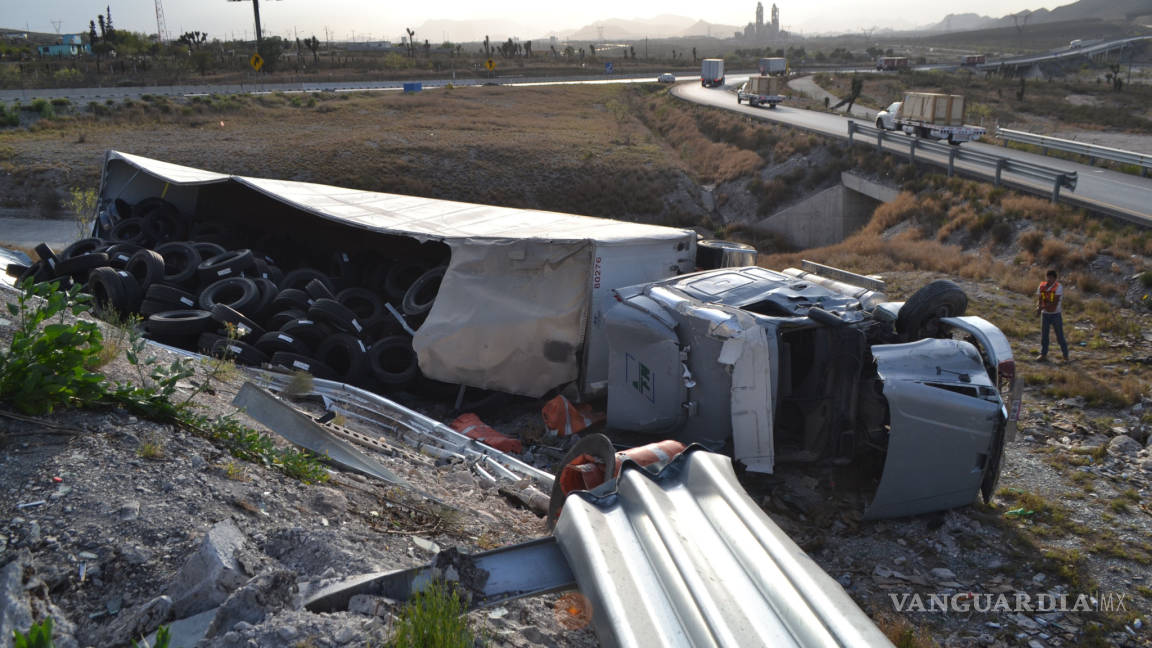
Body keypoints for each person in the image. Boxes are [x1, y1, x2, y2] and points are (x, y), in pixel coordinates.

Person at [1035, 269, 1069, 362]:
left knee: (1060, 336)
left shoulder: (1058, 287)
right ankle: (1043, 354)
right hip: (1045, 314)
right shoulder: (1042, 286)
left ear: (1055, 279)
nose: (1049, 280)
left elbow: (1054, 302)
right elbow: (1040, 298)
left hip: (1055, 314)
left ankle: (1065, 356)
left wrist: (1041, 308)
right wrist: (1038, 306)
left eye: (1051, 278)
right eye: (1048, 277)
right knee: (1044, 336)